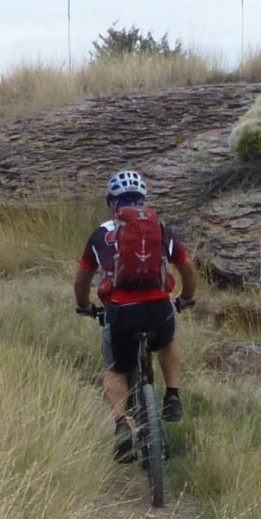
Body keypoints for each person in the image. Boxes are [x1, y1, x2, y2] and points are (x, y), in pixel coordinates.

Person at [74, 168, 197, 461]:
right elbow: (188, 271)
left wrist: (84, 306)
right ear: (143, 200)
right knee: (166, 342)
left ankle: (120, 425)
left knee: (115, 368)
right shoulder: (161, 228)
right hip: (158, 309)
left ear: (111, 203)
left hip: (121, 313)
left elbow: (82, 281)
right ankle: (172, 396)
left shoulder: (101, 234)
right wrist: (186, 298)